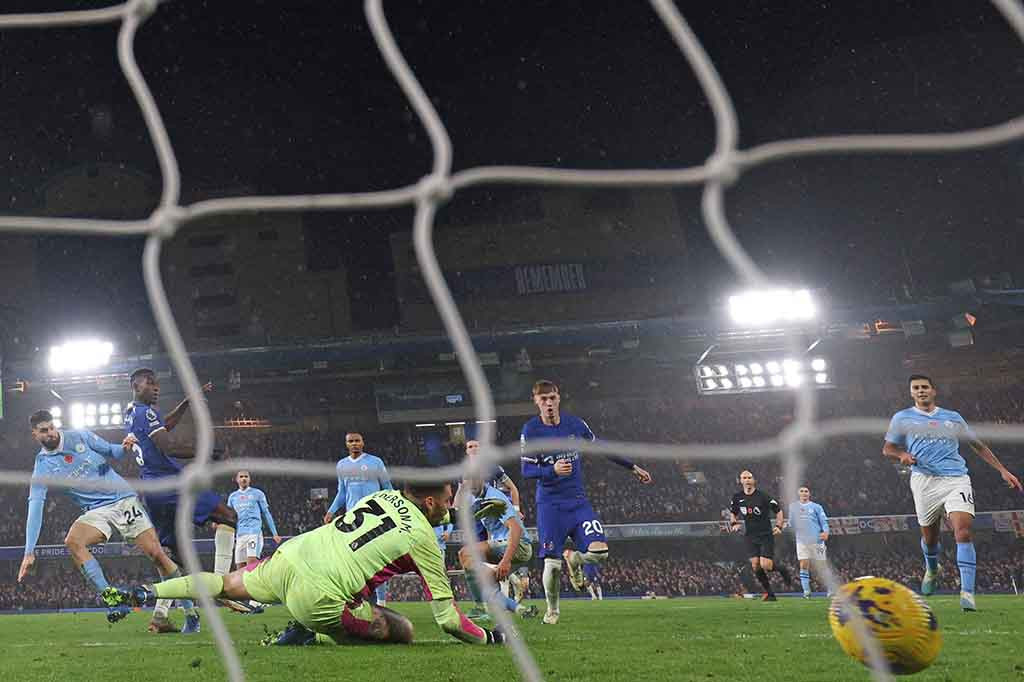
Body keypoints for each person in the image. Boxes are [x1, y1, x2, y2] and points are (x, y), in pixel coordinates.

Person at [104, 483, 508, 647]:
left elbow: (410, 519)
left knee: (225, 583)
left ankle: (145, 592)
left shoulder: (381, 497)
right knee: (401, 630)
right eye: (449, 500)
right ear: (434, 503)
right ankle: (312, 633)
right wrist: (492, 639)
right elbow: (449, 621)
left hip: (291, 557)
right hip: (319, 596)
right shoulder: (424, 541)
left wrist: (460, 518)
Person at [18, 410, 198, 631]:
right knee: (73, 541)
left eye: (52, 427)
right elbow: (35, 504)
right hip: (96, 510)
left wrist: (124, 446)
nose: (51, 433)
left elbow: (112, 451)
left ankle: (191, 614)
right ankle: (113, 600)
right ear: (34, 434)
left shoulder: (79, 437)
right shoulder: (42, 466)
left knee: (157, 555)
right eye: (44, 431)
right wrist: (29, 551)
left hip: (122, 499)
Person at [883, 374, 1022, 611]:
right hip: (924, 481)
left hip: (956, 478)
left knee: (963, 531)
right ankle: (932, 568)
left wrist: (1002, 470)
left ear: (933, 390)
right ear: (911, 393)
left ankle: (967, 593)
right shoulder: (902, 418)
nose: (920, 391)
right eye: (915, 388)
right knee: (930, 538)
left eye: (924, 387)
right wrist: (902, 455)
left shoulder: (952, 418)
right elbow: (887, 448)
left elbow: (977, 445)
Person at [520, 379, 652, 624]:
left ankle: (576, 558)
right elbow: (526, 471)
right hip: (550, 505)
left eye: (552, 398)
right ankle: (553, 610)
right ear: (536, 401)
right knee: (552, 564)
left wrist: (632, 467)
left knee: (600, 552)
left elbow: (601, 447)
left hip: (578, 502)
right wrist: (552, 471)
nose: (548, 403)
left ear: (558, 398)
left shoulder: (575, 424)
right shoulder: (531, 431)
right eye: (543, 399)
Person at [125, 368, 251, 616]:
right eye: (150, 383)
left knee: (179, 555)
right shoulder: (146, 412)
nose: (156, 388)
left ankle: (161, 615)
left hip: (153, 491)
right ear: (137, 386)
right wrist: (207, 452)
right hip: (172, 484)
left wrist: (186, 401)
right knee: (230, 517)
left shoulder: (131, 412)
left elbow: (164, 426)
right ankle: (222, 585)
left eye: (157, 383)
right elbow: (169, 446)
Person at [323, 432, 392, 607]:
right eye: (350, 441)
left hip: (374, 516)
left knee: (377, 559)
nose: (354, 444)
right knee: (355, 560)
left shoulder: (375, 462)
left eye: (357, 441)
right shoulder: (342, 465)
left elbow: (387, 488)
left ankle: (382, 602)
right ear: (346, 444)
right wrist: (331, 511)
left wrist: (391, 510)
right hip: (353, 519)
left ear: (363, 443)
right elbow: (342, 493)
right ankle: (358, 599)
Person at [457, 478, 538, 621]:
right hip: (503, 544)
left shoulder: (494, 497)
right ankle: (521, 610)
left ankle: (480, 608)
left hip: (520, 545)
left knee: (465, 553)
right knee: (484, 580)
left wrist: (505, 561)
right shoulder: (476, 498)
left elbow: (516, 529)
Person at [729, 470, 791, 601]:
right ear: (740, 481)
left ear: (753, 480)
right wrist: (734, 523)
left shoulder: (763, 496)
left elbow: (778, 511)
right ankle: (770, 594)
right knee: (755, 565)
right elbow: (733, 513)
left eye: (749, 477)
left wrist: (779, 526)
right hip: (750, 536)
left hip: (765, 535)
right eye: (744, 478)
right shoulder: (737, 497)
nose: (747, 480)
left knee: (766, 565)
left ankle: (783, 570)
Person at [787, 485, 829, 599]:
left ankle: (830, 589)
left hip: (817, 540)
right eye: (802, 491)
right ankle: (806, 592)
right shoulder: (793, 507)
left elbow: (824, 522)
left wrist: (826, 532)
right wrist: (788, 526)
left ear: (809, 494)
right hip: (801, 540)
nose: (804, 493)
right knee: (804, 564)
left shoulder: (817, 507)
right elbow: (791, 522)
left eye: (806, 491)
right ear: (798, 494)